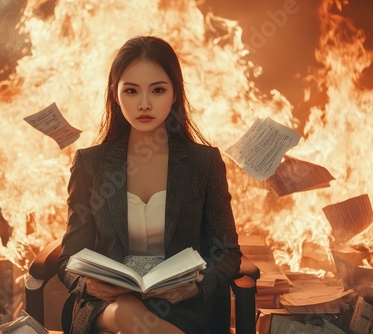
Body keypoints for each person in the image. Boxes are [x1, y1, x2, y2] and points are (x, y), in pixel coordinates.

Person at [57, 35, 242, 334]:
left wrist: (195, 288)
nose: (144, 104)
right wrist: (86, 282)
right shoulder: (90, 163)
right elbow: (69, 256)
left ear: (175, 94)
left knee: (131, 319)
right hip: (105, 304)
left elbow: (228, 252)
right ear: (115, 95)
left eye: (157, 90)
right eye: (131, 91)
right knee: (123, 312)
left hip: (178, 304)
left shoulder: (202, 163)